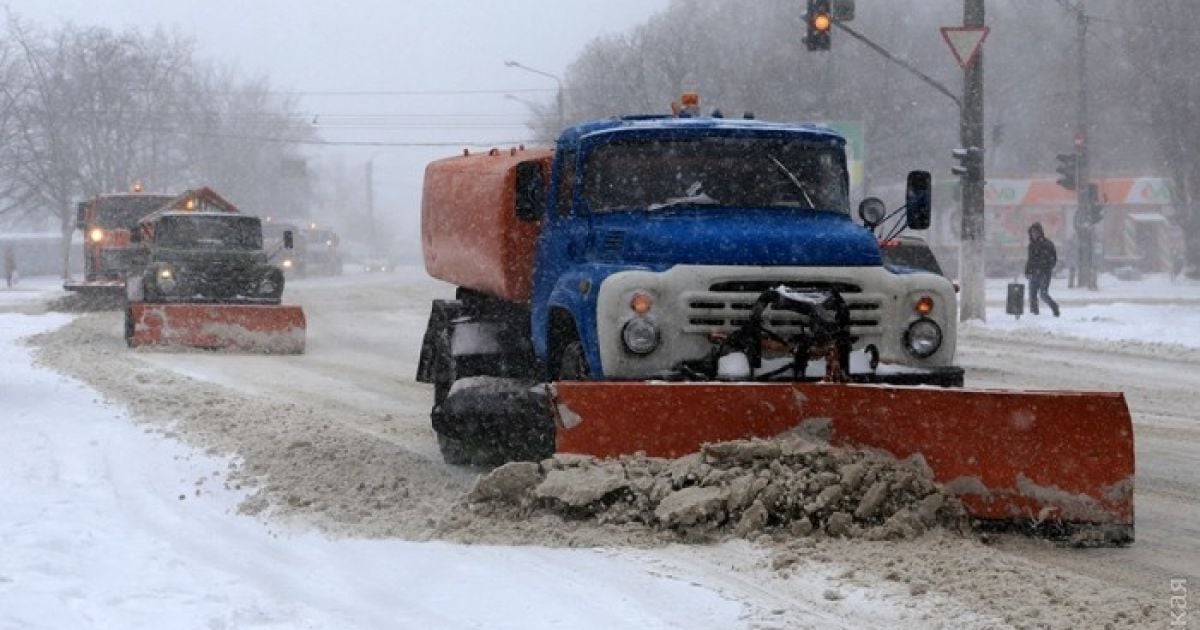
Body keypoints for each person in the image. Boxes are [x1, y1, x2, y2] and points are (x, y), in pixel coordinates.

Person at [1024, 222, 1060, 317]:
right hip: (1033, 273)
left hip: (1044, 273)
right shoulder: (1031, 245)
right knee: (1032, 294)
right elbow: (1030, 259)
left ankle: (1054, 307)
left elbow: (1053, 259)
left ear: (1040, 232)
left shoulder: (1047, 244)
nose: (1034, 234)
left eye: (1036, 232)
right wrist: (1027, 270)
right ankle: (1034, 313)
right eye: (1032, 232)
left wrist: (1046, 268)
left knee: (1043, 294)